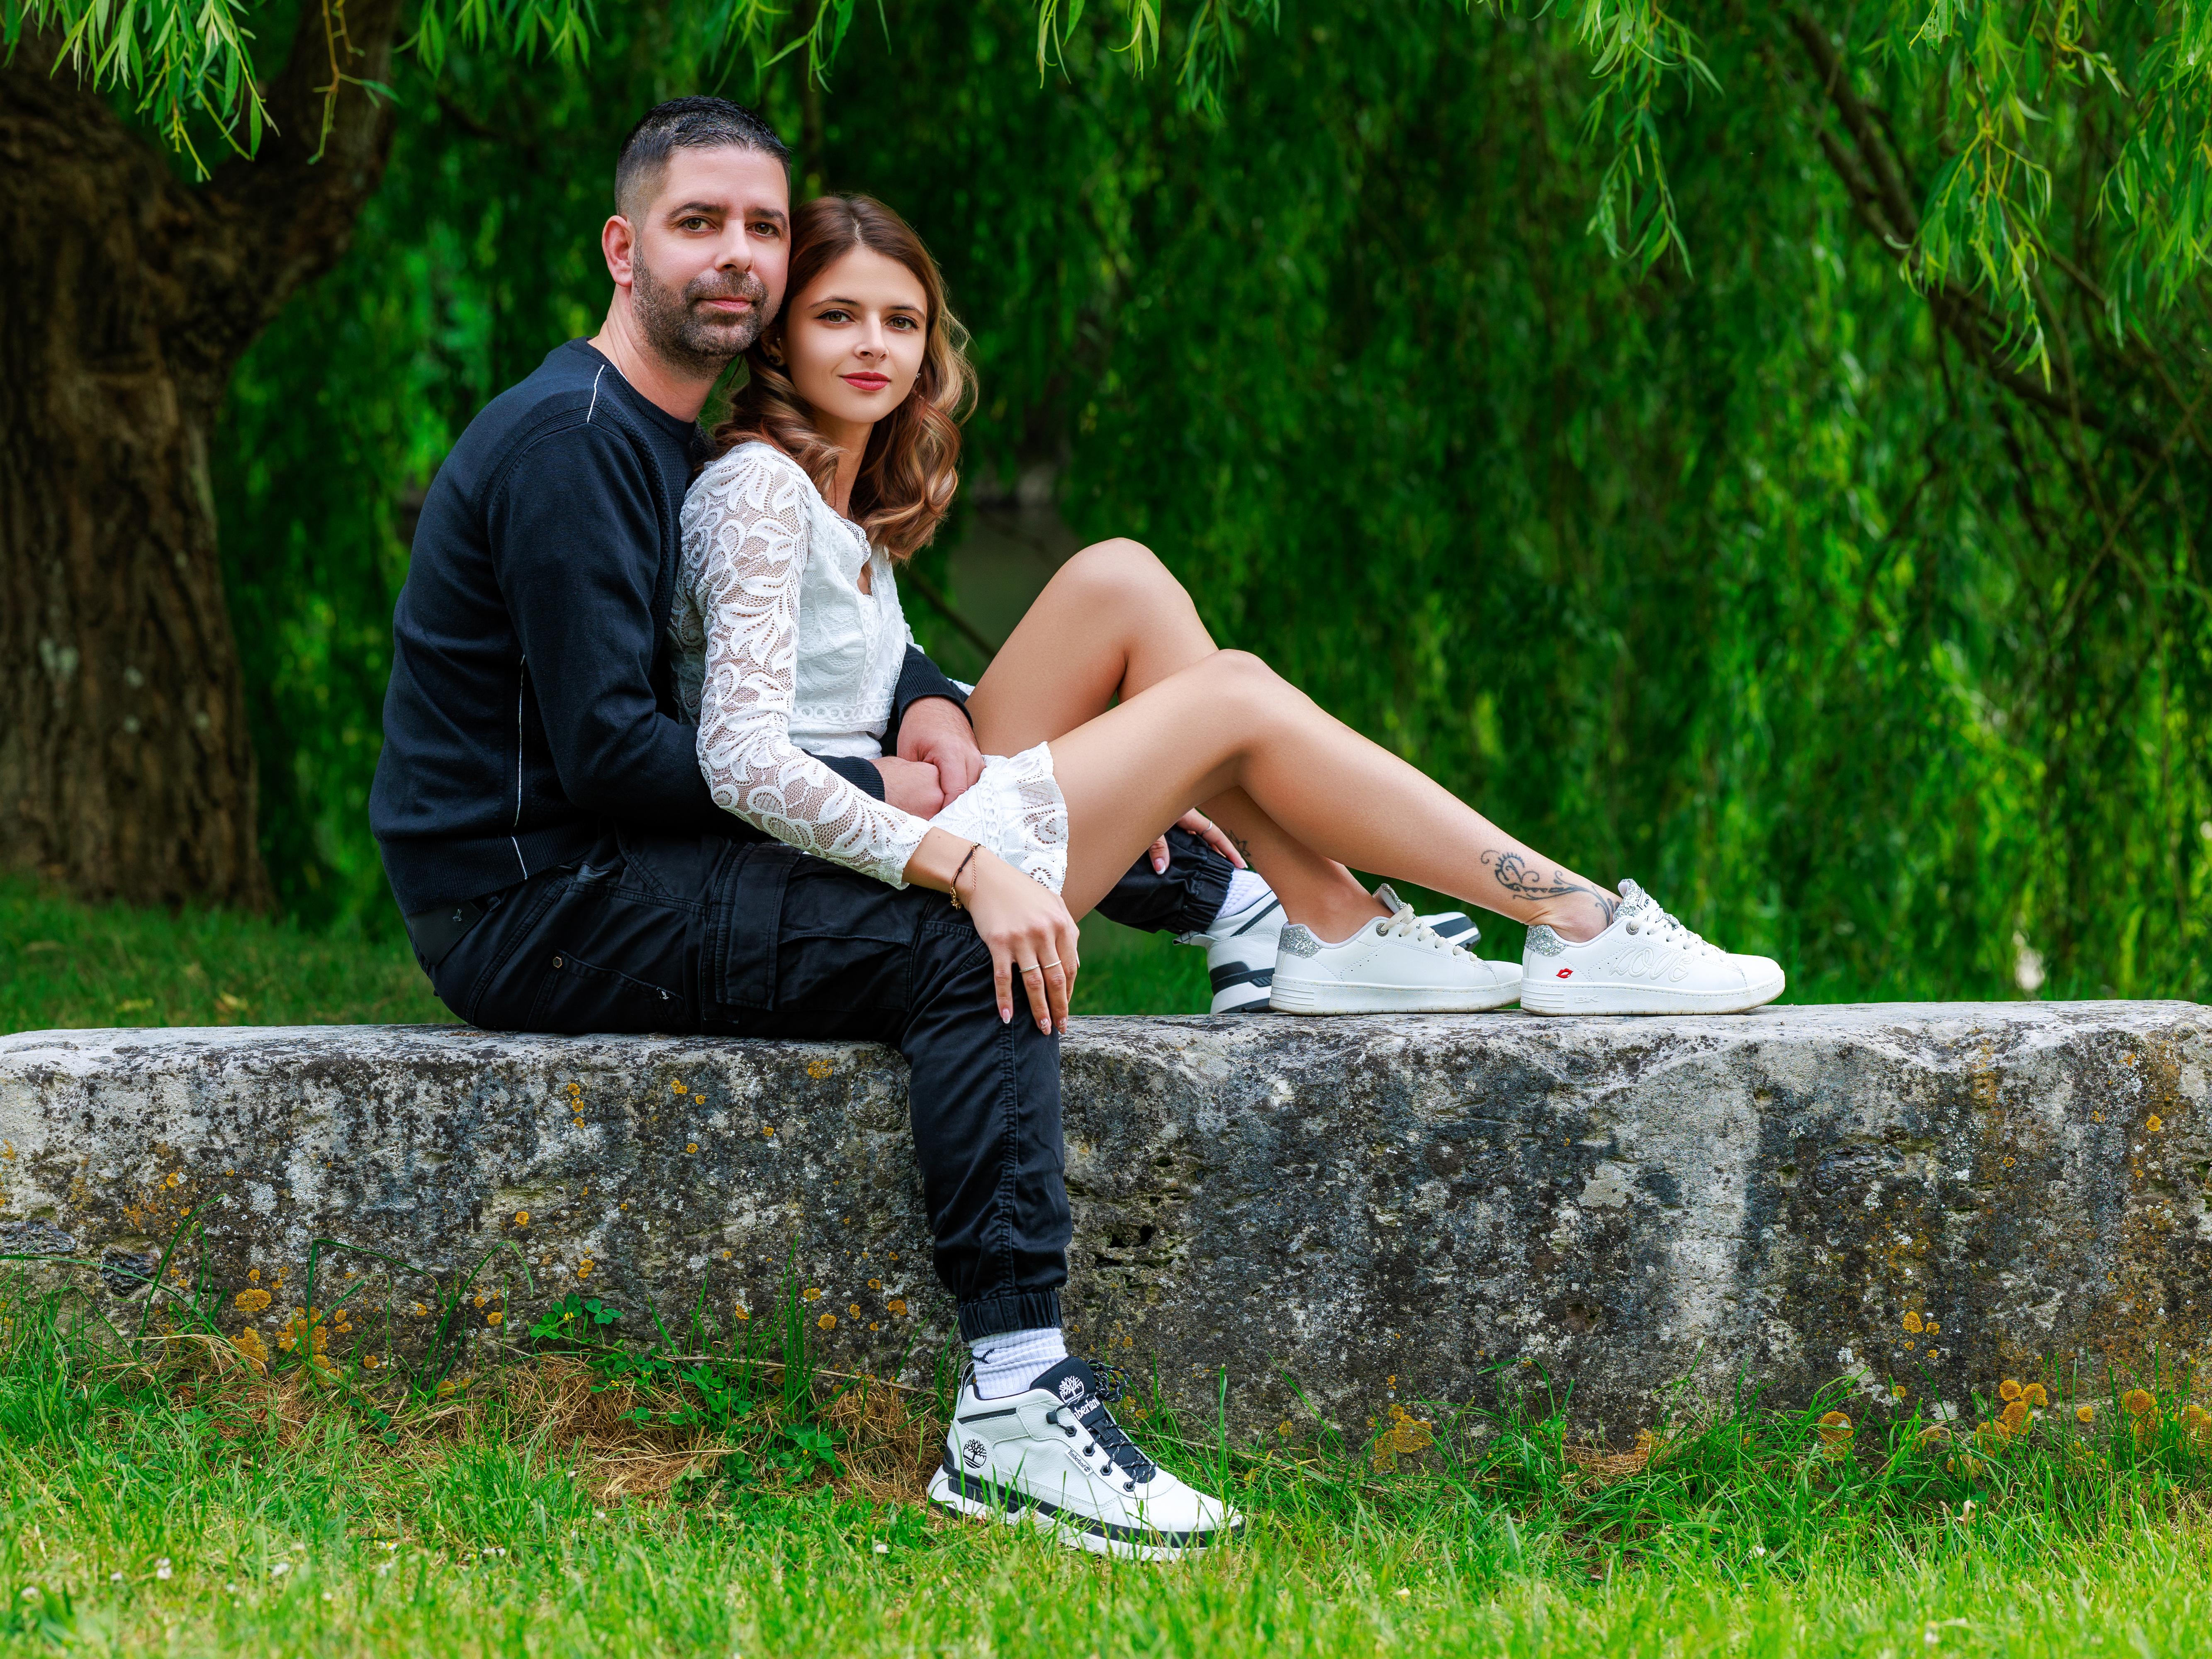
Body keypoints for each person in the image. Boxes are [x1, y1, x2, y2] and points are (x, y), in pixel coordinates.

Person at [674, 190, 1786, 1546]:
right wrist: (957, 837)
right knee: (1235, 699)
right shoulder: (755, 490)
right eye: (837, 317)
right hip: (869, 878)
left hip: (914, 817)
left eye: (901, 322)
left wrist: (939, 707)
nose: (873, 346)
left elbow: (845, 680)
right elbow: (743, 755)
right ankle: (1568, 917)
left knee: (1125, 579)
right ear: (778, 341)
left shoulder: (841, 495)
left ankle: (1327, 922)